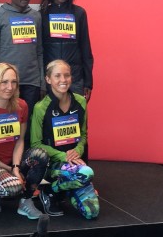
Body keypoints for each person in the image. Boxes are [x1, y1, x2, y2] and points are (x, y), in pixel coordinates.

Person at [0, 63, 49, 219]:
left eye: (14, 82)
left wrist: (15, 167)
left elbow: (20, 141)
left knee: (41, 155)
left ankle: (25, 202)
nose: (10, 87)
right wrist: (7, 168)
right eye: (4, 82)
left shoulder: (22, 106)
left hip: (13, 162)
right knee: (12, 188)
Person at [30, 60, 99, 220]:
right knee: (86, 173)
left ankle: (62, 189)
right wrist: (64, 157)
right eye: (57, 76)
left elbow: (83, 135)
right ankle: (49, 191)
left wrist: (77, 151)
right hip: (52, 165)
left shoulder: (81, 102)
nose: (63, 79)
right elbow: (36, 144)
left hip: (75, 163)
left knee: (92, 212)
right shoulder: (40, 108)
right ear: (48, 79)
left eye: (66, 75)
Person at [0, 0, 44, 149]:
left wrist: (42, 81)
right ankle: (6, 162)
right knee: (6, 126)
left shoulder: (36, 16)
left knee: (28, 127)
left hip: (31, 82)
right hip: (7, 85)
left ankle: (27, 163)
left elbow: (40, 51)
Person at [40, 0, 94, 102]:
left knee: (76, 118)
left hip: (75, 77)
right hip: (51, 77)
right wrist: (42, 81)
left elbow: (85, 48)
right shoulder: (42, 14)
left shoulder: (79, 13)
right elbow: (39, 50)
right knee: (51, 120)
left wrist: (88, 82)